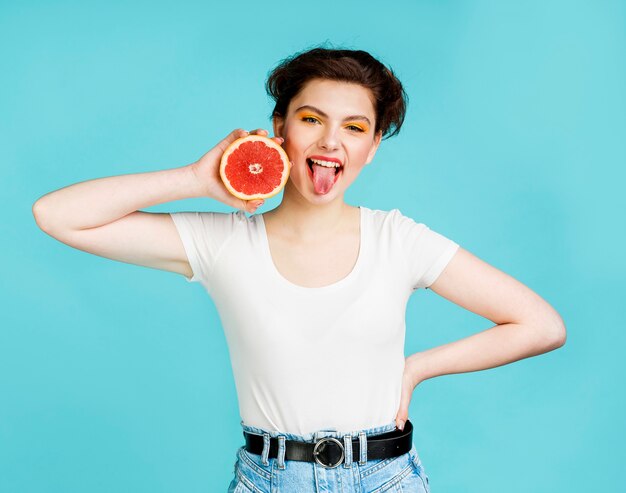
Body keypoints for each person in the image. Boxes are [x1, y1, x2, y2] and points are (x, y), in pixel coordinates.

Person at [32, 47, 566, 492]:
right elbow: (56, 216)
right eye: (312, 119)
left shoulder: (398, 239)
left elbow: (541, 325)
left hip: (386, 478)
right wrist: (197, 179)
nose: (331, 141)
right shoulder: (221, 243)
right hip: (268, 479)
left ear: (373, 147)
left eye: (355, 128)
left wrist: (415, 369)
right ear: (279, 128)